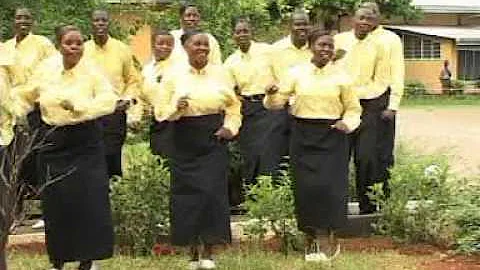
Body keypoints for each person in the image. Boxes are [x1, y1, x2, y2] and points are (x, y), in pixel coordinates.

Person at [12, 25, 119, 270]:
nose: (75, 47)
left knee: (89, 201)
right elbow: (26, 95)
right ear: (59, 44)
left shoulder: (93, 70)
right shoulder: (46, 69)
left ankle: (87, 260)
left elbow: (107, 100)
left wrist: (81, 108)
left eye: (79, 43)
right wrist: (15, 112)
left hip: (85, 140)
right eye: (69, 43)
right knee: (57, 203)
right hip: (54, 142)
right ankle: (58, 260)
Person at [264, 28, 361, 262]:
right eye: (321, 45)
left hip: (332, 136)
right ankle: (310, 240)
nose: (326, 50)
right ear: (311, 46)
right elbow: (276, 104)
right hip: (302, 135)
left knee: (330, 188)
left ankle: (328, 237)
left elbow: (354, 109)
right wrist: (270, 94)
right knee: (307, 189)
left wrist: (346, 125)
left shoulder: (342, 77)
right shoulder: (296, 73)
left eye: (330, 46)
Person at [153, 30, 241, 270]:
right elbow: (160, 112)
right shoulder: (172, 76)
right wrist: (176, 107)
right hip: (183, 137)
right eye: (197, 44)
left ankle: (209, 252)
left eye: (205, 45)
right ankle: (192, 252)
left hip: (213, 137)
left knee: (212, 194)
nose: (202, 48)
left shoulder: (221, 74)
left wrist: (229, 128)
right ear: (185, 47)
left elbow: (234, 106)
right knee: (187, 195)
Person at [4, 7, 56, 230]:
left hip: (36, 109)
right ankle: (15, 212)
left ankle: (43, 211)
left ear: (32, 21)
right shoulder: (5, 47)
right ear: (13, 22)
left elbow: (53, 70)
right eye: (18, 18)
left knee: (38, 157)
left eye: (26, 17)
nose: (22, 21)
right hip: (9, 112)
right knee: (14, 160)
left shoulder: (43, 44)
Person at [335, 7, 391, 214]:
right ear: (353, 20)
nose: (365, 22)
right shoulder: (339, 41)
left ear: (375, 22)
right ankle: (336, 207)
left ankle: (367, 206)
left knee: (366, 158)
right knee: (339, 157)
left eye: (370, 19)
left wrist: (359, 93)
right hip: (339, 106)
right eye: (361, 18)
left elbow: (382, 80)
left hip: (368, 105)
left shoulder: (379, 46)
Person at [84, 9, 142, 179]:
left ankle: (114, 196)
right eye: (96, 20)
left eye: (104, 20)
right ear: (91, 23)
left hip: (115, 112)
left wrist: (126, 100)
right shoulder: (83, 49)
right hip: (90, 113)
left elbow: (132, 80)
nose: (100, 24)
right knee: (90, 157)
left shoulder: (122, 49)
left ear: (109, 23)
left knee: (111, 157)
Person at [224, 18, 278, 198]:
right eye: (238, 32)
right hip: (247, 109)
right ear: (233, 35)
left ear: (251, 32)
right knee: (250, 153)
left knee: (269, 152)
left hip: (269, 107)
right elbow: (229, 88)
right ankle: (253, 197)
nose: (242, 35)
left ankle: (270, 195)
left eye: (245, 31)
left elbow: (282, 74)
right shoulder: (231, 61)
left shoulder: (267, 51)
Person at [359, 2, 405, 198]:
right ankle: (360, 201)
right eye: (363, 14)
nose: (367, 18)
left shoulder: (390, 39)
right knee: (360, 157)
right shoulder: (350, 39)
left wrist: (392, 105)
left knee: (379, 156)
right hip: (352, 103)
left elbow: (397, 73)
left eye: (372, 13)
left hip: (380, 103)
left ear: (379, 16)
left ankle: (379, 202)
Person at [141, 28, 178, 157]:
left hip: (173, 121)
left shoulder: (178, 68)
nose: (165, 47)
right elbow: (142, 95)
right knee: (157, 157)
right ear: (152, 45)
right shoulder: (147, 70)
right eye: (161, 43)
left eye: (169, 44)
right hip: (155, 121)